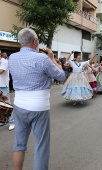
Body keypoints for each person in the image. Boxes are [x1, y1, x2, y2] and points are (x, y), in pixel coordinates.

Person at [9, 28, 65, 170]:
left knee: (19, 144)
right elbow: (61, 76)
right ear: (35, 42)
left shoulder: (12, 57)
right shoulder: (42, 58)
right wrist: (52, 58)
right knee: (41, 146)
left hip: (19, 104)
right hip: (39, 106)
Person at [0, 52, 15, 130]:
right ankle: (2, 121)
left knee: (7, 104)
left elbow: (1, 71)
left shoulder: (4, 62)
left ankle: (11, 122)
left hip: (3, 86)